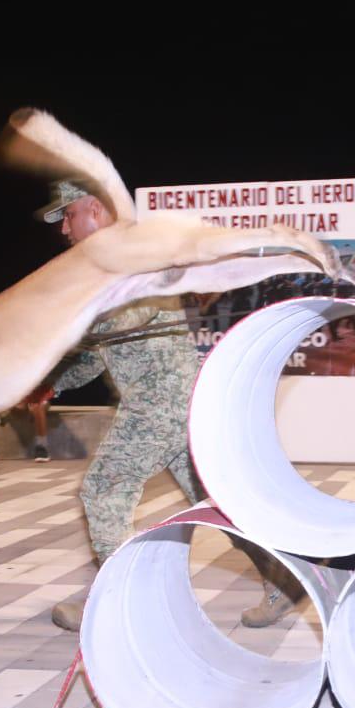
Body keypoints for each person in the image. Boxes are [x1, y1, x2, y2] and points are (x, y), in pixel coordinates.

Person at [36, 180, 304, 632]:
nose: (64, 229)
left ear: (95, 209)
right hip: (179, 399)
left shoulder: (136, 253)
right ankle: (286, 583)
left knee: (105, 487)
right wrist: (49, 385)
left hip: (160, 397)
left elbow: (130, 316)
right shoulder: (108, 266)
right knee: (216, 502)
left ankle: (116, 601)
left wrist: (63, 320)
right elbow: (98, 352)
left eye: (68, 215)